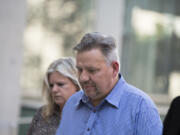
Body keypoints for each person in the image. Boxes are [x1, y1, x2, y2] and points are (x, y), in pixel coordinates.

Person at [56, 32, 162, 135]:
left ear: (115, 69)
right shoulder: (72, 104)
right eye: (80, 70)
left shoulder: (141, 108)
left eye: (92, 70)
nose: (83, 78)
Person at [27, 57, 80, 135]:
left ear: (77, 85)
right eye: (51, 85)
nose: (54, 90)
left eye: (60, 84)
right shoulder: (43, 113)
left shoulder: (88, 116)